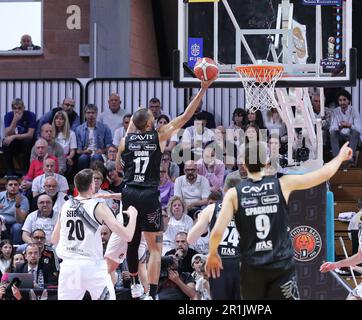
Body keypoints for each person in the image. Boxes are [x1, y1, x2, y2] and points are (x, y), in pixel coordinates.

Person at [206, 141, 353, 299]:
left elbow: (216, 233)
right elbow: (323, 175)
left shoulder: (234, 194)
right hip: (280, 266)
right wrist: (340, 157)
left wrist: (212, 254)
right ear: (267, 162)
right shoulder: (283, 184)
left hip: (251, 269)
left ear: (243, 164)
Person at [116, 76, 216, 300]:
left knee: (132, 241)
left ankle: (133, 281)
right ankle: (151, 294)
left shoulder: (125, 140)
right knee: (154, 248)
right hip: (149, 194)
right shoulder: (159, 136)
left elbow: (118, 166)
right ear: (151, 124)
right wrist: (202, 89)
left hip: (129, 192)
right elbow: (186, 116)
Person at [51, 169, 138, 300]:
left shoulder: (66, 205)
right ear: (92, 186)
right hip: (92, 266)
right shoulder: (99, 206)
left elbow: (54, 239)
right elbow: (128, 236)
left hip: (69, 267)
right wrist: (133, 217)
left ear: (76, 186)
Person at [188, 179, 241, 300]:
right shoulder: (250, 209)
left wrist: (201, 220)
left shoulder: (211, 209)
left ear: (225, 191)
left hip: (218, 264)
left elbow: (190, 239)